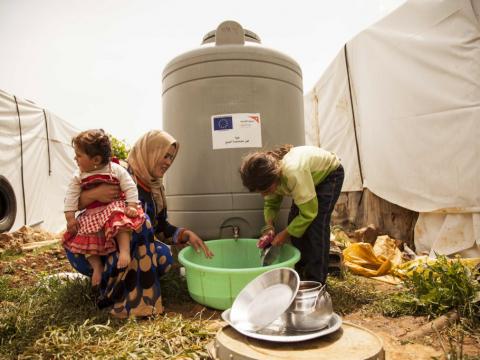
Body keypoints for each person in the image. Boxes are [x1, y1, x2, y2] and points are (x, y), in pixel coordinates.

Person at [65, 130, 213, 318]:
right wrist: (93, 195)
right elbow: (73, 199)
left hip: (126, 249)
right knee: (141, 222)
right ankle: (112, 295)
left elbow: (160, 227)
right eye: (164, 155)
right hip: (94, 245)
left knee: (164, 255)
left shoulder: (155, 188)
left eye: (171, 157)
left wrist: (185, 234)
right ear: (150, 151)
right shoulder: (118, 172)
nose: (168, 162)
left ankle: (135, 293)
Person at [239, 144, 344, 284]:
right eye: (260, 191)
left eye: (265, 190)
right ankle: (301, 270)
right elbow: (271, 204)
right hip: (307, 178)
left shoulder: (292, 172)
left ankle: (316, 281)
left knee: (316, 226)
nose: (263, 194)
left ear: (274, 178)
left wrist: (284, 234)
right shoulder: (269, 176)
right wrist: (269, 228)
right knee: (294, 224)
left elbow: (309, 213)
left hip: (329, 175)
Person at [63, 129, 144, 287]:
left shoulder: (115, 169)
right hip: (92, 215)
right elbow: (71, 197)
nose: (75, 158)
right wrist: (70, 219)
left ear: (96, 159)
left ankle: (124, 251)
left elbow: (130, 187)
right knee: (85, 234)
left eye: (79, 155)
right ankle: (97, 267)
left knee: (119, 219)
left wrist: (132, 205)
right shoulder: (78, 175)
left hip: (112, 208)